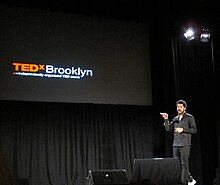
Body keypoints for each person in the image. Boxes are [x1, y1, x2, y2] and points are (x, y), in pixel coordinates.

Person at [160, 100, 197, 185]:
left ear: (184, 108)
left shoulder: (189, 117)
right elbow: (168, 128)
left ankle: (184, 183)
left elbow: (194, 130)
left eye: (180, 107)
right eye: (177, 107)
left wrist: (183, 129)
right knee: (177, 164)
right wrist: (166, 119)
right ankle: (190, 179)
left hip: (185, 144)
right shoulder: (175, 119)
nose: (178, 108)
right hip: (176, 144)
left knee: (184, 164)